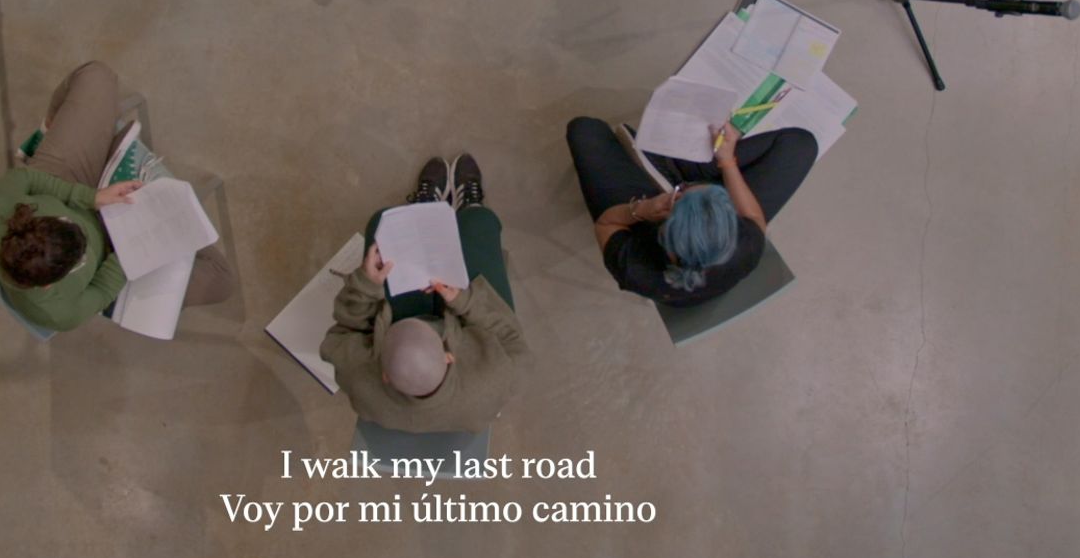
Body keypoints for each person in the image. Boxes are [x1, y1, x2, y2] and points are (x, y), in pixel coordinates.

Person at [0, 62, 234, 332]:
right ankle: (109, 155)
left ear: (28, 220)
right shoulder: (57, 313)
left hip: (69, 184)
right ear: (49, 283)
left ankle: (58, 131)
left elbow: (24, 179)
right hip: (114, 257)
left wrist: (91, 198)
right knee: (221, 280)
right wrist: (131, 249)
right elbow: (99, 289)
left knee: (95, 75)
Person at [321, 155, 527, 433]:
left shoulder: (359, 378)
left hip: (408, 342)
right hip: (467, 326)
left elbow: (340, 335)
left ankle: (424, 210)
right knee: (480, 223)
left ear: (384, 374)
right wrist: (464, 301)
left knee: (380, 222)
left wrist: (366, 285)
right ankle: (471, 206)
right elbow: (513, 339)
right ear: (449, 356)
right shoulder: (495, 380)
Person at [565, 117, 817, 307]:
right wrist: (727, 160)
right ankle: (680, 167)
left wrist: (642, 209)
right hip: (692, 224)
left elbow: (605, 225)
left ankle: (668, 167)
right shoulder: (744, 248)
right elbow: (754, 219)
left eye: (681, 193)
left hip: (644, 212)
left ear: (665, 231)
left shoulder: (637, 269)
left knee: (584, 129)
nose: (684, 190)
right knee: (800, 144)